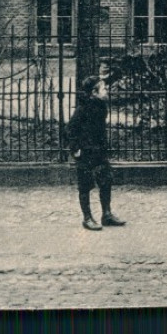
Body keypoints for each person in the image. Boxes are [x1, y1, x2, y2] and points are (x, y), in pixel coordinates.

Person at [66, 75, 125, 231]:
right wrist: (75, 149)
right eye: (104, 88)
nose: (107, 91)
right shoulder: (82, 109)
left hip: (99, 151)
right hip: (85, 152)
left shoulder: (101, 106)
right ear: (94, 92)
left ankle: (107, 214)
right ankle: (87, 218)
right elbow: (70, 130)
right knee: (85, 185)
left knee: (106, 180)